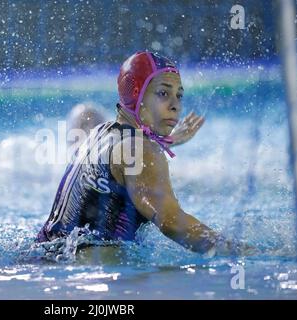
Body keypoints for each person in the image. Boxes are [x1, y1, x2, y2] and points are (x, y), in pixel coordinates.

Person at [37, 51, 251, 258]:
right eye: (163, 93)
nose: (175, 105)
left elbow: (120, 159)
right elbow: (171, 222)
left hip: (47, 257)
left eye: (179, 95)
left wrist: (167, 140)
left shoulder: (98, 134)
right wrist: (244, 252)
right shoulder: (143, 150)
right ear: (135, 94)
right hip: (93, 273)